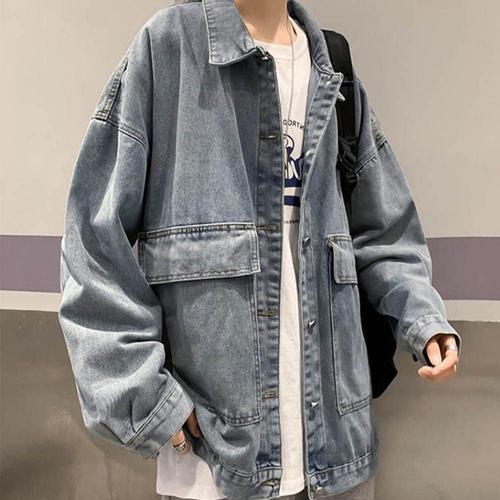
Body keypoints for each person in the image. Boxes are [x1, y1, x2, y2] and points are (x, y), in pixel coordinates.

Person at [58, 1, 462, 499]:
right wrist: (146, 399)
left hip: (340, 459)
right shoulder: (169, 48)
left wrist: (422, 317)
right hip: (215, 465)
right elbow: (93, 242)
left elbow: (384, 229)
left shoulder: (330, 66)